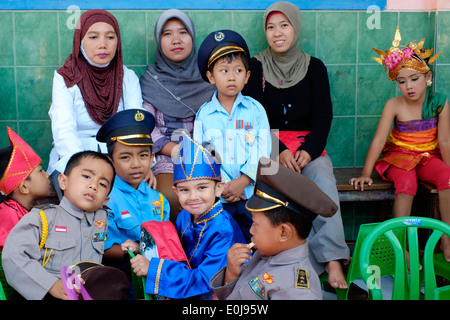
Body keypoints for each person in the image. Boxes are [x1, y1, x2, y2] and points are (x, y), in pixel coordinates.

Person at [242, 1, 350, 289]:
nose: (277, 33)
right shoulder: (255, 67)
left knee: (322, 176)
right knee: (271, 189)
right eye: (270, 27)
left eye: (284, 25)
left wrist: (309, 150)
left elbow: (323, 115)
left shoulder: (315, 67)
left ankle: (332, 260)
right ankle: (282, 263)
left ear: (295, 28)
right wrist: (279, 150)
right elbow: (253, 115)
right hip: (269, 146)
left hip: (307, 148)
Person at [349, 26, 450, 261]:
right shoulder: (393, 105)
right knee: (407, 182)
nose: (409, 86)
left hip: (427, 157)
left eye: (414, 79)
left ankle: (447, 239)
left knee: (446, 176)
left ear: (428, 77)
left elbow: (444, 140)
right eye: (402, 81)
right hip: (398, 157)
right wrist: (366, 173)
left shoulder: (440, 103)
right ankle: (400, 247)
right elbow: (379, 140)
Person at [130, 132, 246, 299]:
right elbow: (173, 248)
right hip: (186, 284)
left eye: (202, 188)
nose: (193, 197)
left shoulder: (223, 229)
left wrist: (154, 269)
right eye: (185, 190)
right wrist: (144, 247)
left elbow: (206, 281)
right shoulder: (185, 215)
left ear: (219, 188)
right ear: (176, 192)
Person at [211, 157, 338, 300]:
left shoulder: (296, 290)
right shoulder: (266, 254)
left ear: (283, 232)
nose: (251, 231)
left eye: (255, 224)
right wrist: (231, 273)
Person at [48, 9, 143, 198]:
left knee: (122, 205)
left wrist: (134, 163)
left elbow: (134, 128)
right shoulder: (65, 78)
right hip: (74, 157)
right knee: (84, 196)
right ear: (80, 41)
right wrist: (88, 169)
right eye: (93, 37)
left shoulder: (127, 77)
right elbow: (64, 131)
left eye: (110, 37)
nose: (103, 44)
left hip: (119, 156)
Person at [1, 151, 115, 300]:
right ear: (63, 181)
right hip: (46, 294)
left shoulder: (102, 220)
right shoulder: (42, 217)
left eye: (102, 184)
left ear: (104, 200)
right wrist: (51, 285)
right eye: (86, 176)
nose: (93, 186)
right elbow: (13, 256)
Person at [194, 29, 271, 242]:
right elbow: (205, 153)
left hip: (252, 193)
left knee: (256, 240)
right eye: (224, 71)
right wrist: (226, 185)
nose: (231, 77)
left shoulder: (256, 110)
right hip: (220, 196)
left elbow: (263, 149)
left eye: (238, 70)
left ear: (247, 77)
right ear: (210, 76)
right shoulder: (204, 114)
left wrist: (244, 180)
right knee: (224, 241)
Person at [140, 9, 215, 223]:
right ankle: (175, 254)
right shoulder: (150, 80)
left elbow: (217, 122)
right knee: (171, 197)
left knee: (211, 196)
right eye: (167, 34)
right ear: (159, 41)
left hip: (204, 154)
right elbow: (147, 127)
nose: (176, 40)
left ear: (192, 38)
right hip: (164, 155)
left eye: (183, 32)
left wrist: (199, 152)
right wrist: (174, 150)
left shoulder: (208, 78)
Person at [95, 109, 170, 269]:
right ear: (111, 162)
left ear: (152, 159)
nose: (136, 164)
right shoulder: (105, 200)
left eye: (143, 155)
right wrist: (135, 250)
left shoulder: (159, 200)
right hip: (121, 271)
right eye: (125, 157)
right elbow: (103, 249)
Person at [0, 127, 52, 249]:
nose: (47, 175)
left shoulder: (21, 210)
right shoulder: (7, 215)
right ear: (24, 187)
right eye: (40, 171)